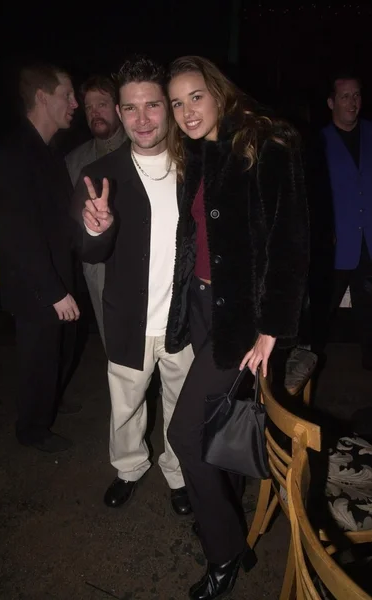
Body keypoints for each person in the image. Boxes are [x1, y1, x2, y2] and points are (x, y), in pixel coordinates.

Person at [164, 56, 309, 599]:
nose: (185, 111)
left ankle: (225, 554)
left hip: (240, 322)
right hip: (203, 308)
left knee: (183, 435)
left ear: (218, 91)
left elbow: (290, 244)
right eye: (177, 102)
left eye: (194, 97)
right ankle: (227, 523)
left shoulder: (266, 142)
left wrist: (270, 329)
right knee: (213, 426)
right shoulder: (201, 151)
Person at [74, 57, 193, 515]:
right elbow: (87, 252)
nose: (142, 119)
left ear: (168, 106)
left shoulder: (194, 167)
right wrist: (96, 228)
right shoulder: (102, 176)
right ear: (120, 114)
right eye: (130, 108)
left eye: (152, 105)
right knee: (125, 408)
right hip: (128, 319)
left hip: (182, 318)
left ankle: (179, 474)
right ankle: (129, 468)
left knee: (180, 407)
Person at [0, 64, 80, 453]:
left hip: (57, 276)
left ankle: (48, 405)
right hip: (37, 287)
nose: (74, 104)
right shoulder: (14, 152)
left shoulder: (46, 151)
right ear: (43, 97)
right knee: (38, 359)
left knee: (58, 352)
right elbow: (19, 235)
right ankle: (32, 428)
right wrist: (53, 291)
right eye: (68, 95)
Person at [310, 72, 372, 369]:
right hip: (335, 248)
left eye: (357, 95)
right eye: (346, 96)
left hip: (369, 244)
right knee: (321, 313)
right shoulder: (317, 143)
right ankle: (304, 371)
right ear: (331, 102)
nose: (353, 102)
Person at [66, 76, 126, 346]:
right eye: (89, 108)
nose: (94, 113)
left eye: (102, 104)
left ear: (117, 107)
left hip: (145, 261)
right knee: (113, 344)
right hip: (98, 271)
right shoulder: (74, 161)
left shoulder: (143, 147)